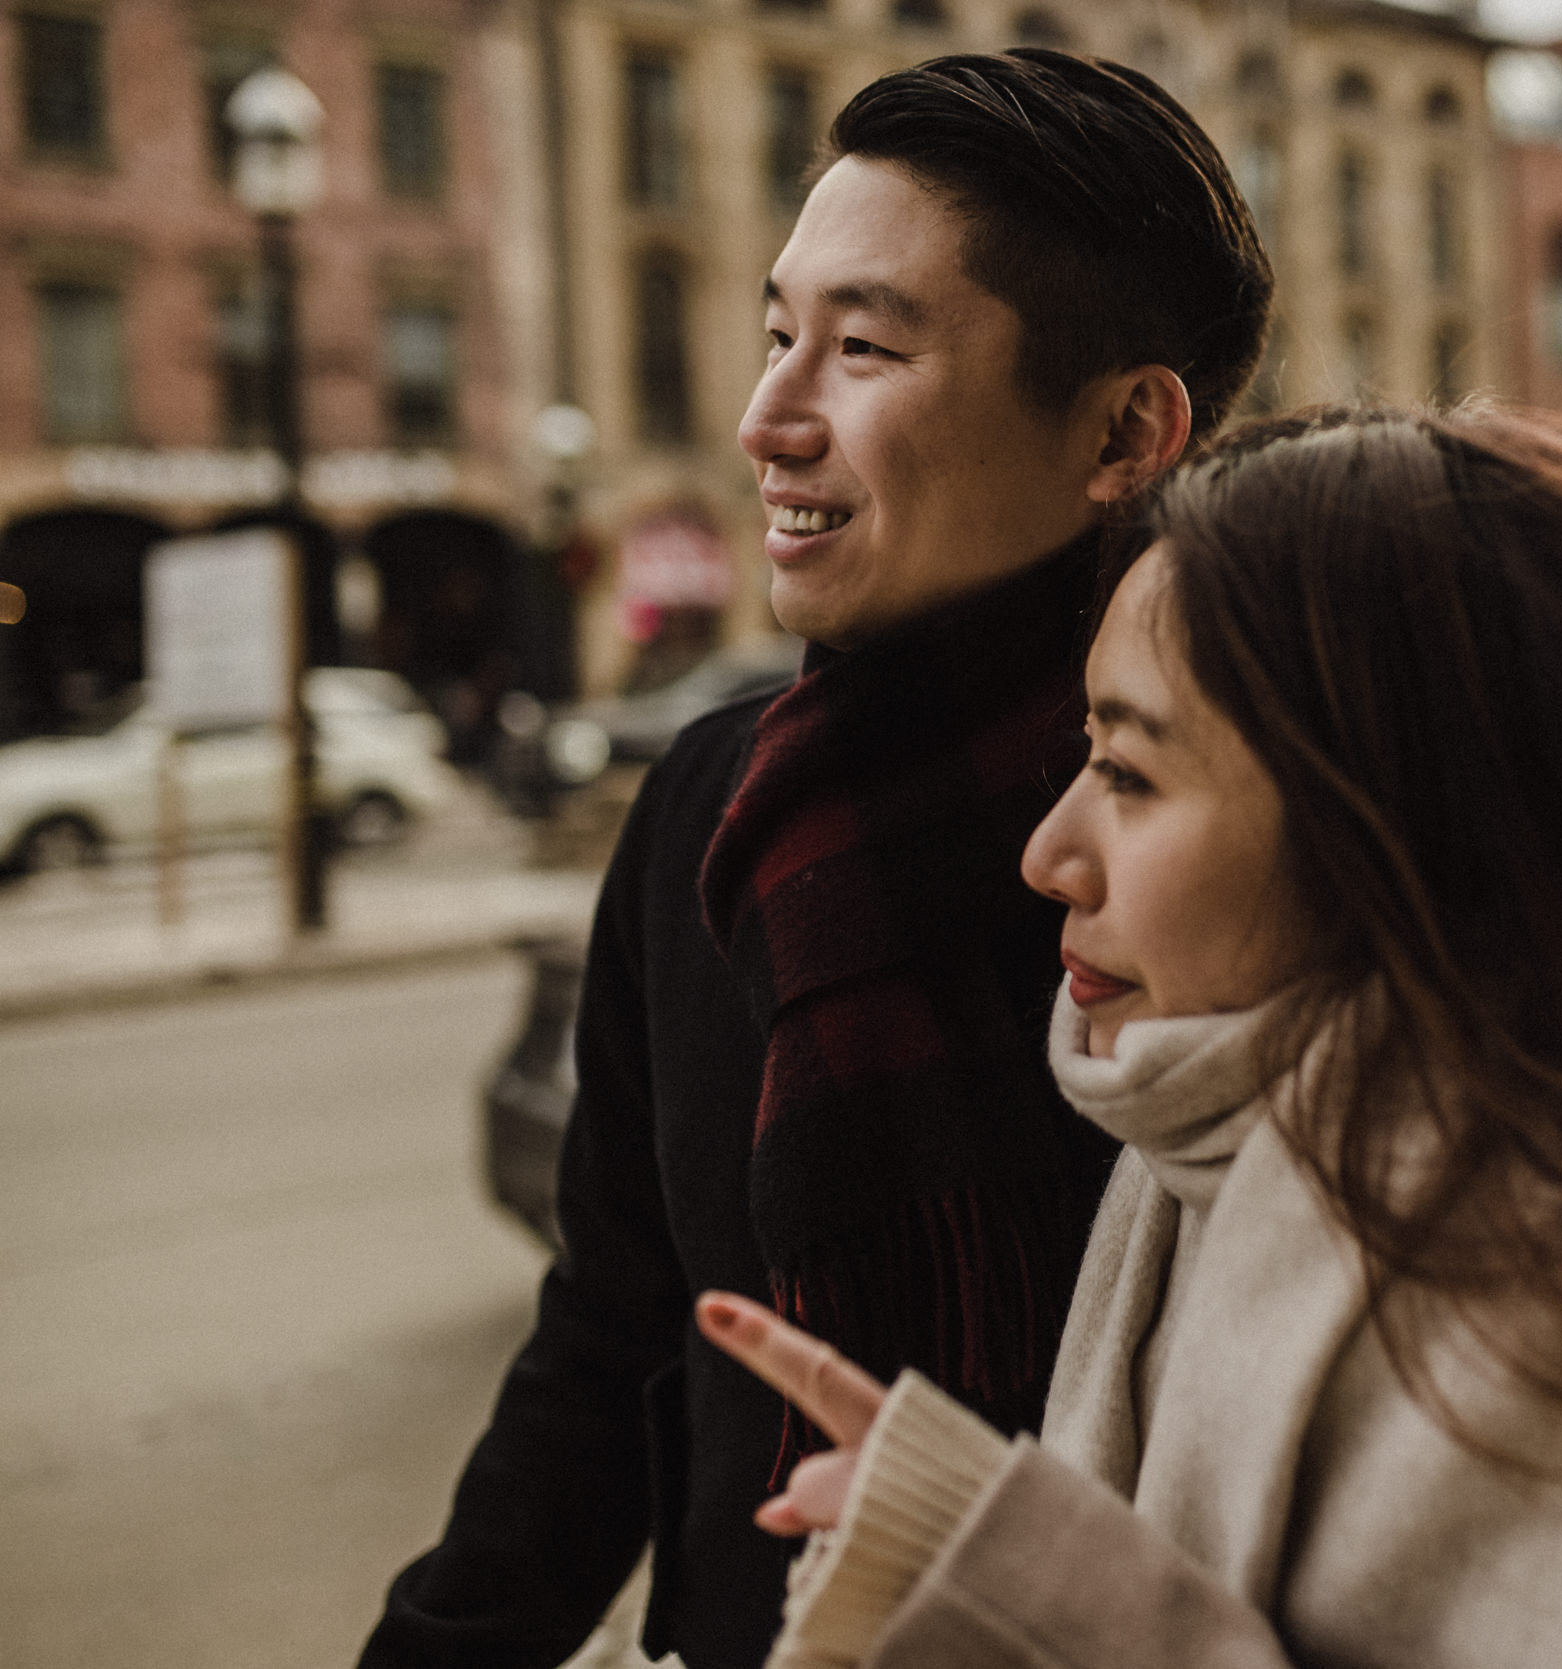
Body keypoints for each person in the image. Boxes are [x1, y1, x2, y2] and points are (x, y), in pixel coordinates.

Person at [692, 405, 1562, 1669]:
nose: (1050, 855)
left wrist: (1026, 1592)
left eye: (1133, 774)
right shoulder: (1247, 1106)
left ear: (1394, 821)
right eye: (1082, 753)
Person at [359, 51, 1272, 1669]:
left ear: (1127, 428)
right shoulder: (713, 808)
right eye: (779, 333)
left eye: (864, 348)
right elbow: (612, 1332)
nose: (767, 419)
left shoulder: (1260, 823)